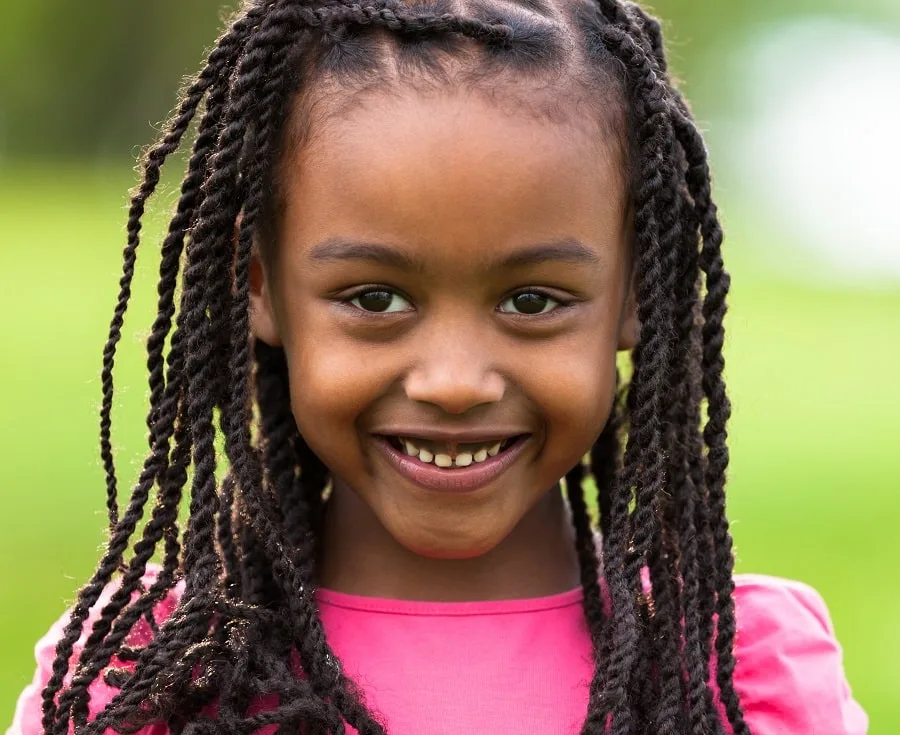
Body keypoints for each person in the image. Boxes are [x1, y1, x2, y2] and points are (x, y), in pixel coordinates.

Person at [8, 0, 868, 733]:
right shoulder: (153, 672)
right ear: (259, 287)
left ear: (637, 291)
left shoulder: (729, 672)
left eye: (531, 301)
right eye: (376, 299)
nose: (454, 381)